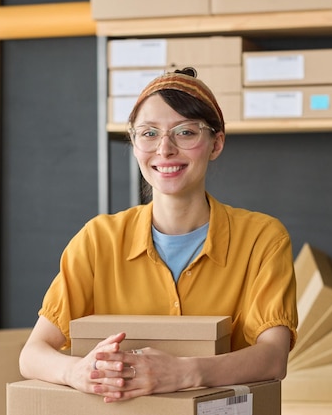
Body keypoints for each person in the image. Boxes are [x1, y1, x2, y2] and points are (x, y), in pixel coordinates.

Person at [19, 67, 298, 403]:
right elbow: (32, 354)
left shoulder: (262, 239)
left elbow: (273, 357)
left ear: (216, 143)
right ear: (135, 143)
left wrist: (184, 373)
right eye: (149, 133)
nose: (164, 149)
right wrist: (75, 372)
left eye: (185, 132)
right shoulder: (98, 240)